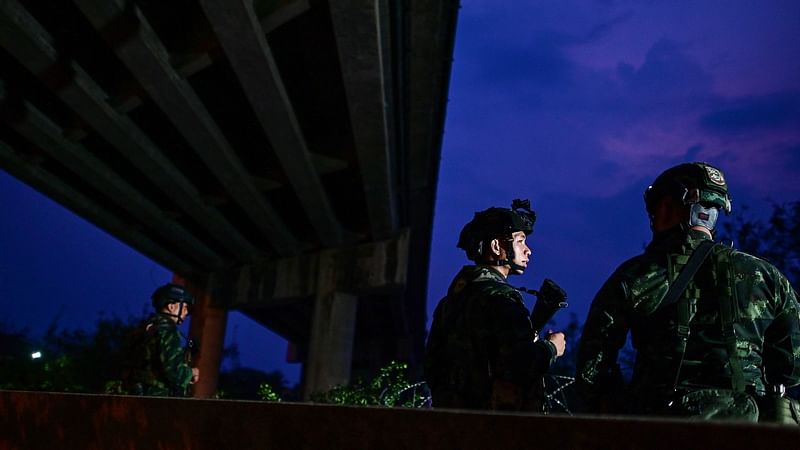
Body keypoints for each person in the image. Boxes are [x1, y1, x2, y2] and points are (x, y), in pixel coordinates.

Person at [576, 162, 800, 421]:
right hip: (748, 429)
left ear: (665, 207)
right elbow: (792, 366)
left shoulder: (636, 275)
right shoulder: (766, 275)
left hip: (662, 427)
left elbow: (592, 369)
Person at [424, 199, 567, 411]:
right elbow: (521, 365)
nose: (528, 250)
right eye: (520, 241)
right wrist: (551, 347)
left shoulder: (451, 301)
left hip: (453, 421)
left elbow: (432, 366)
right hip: (495, 424)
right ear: (497, 246)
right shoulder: (501, 299)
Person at [122, 283, 200, 397]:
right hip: (158, 399)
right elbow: (174, 371)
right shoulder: (168, 331)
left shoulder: (147, 328)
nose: (186, 312)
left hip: (137, 395)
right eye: (184, 307)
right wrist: (191, 372)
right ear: (171, 307)